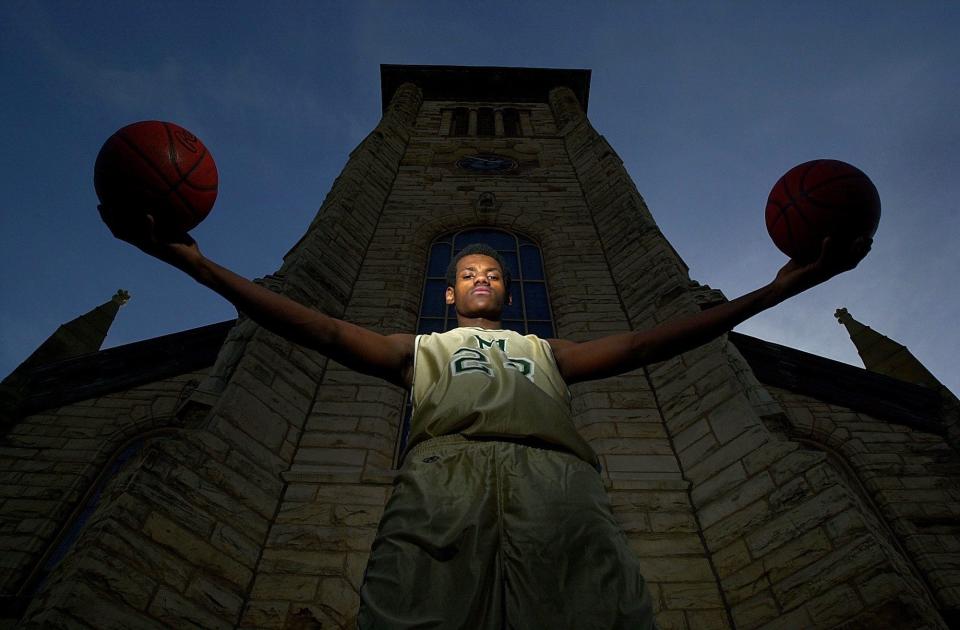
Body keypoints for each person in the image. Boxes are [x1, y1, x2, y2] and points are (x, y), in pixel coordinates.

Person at [99, 206, 870, 629]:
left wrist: (776, 292)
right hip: (440, 484)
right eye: (467, 272)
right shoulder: (419, 348)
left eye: (492, 273)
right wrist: (196, 266)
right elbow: (323, 330)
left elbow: (649, 341)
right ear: (447, 292)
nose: (480, 278)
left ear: (506, 290)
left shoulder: (548, 351)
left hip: (558, 488)